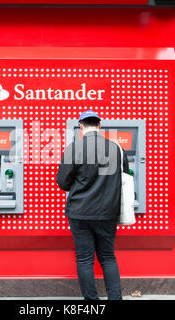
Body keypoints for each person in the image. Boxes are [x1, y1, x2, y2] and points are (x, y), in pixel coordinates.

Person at [56, 110, 129, 300]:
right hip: (108, 213)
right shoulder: (117, 149)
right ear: (99, 125)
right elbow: (125, 178)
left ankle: (91, 303)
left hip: (80, 213)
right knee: (108, 258)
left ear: (81, 126)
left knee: (84, 259)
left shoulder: (73, 149)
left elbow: (62, 183)